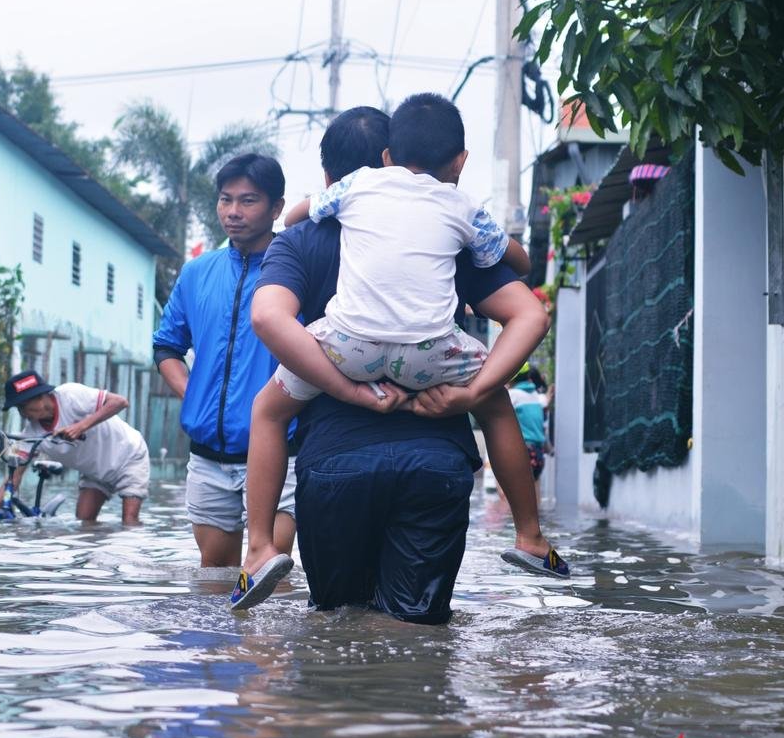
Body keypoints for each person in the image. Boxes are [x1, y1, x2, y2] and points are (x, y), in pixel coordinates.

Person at [232, 95, 568, 610]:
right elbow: (524, 294)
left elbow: (268, 316)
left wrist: (344, 387)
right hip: (436, 461)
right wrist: (475, 391)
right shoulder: (456, 223)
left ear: (332, 175)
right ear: (457, 161)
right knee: (415, 632)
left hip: (332, 460)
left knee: (336, 631)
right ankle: (529, 535)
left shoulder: (299, 240)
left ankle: (258, 550)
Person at [152, 154, 299, 568]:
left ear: (276, 208)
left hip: (282, 455)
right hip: (208, 458)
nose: (233, 212)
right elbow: (166, 346)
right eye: (225, 200)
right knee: (214, 582)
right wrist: (191, 391)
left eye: (248, 201)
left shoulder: (295, 271)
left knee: (270, 576)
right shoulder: (197, 272)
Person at [0, 370, 149, 524]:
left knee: (129, 521)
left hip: (129, 456)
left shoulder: (70, 395)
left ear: (39, 398)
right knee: (84, 522)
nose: (23, 414)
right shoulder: (31, 434)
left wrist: (81, 426)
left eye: (23, 406)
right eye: (18, 409)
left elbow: (120, 402)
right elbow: (14, 477)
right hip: (95, 473)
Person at [507, 363, 552, 503]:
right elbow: (545, 405)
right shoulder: (536, 396)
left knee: (513, 498)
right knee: (535, 499)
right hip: (538, 454)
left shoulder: (511, 395)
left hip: (523, 451)